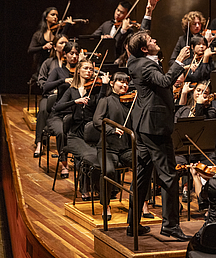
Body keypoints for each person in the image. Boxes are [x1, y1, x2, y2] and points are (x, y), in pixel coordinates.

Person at [126, 29, 191, 239]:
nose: (155, 40)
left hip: (143, 127)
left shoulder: (134, 61)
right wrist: (179, 62)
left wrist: (147, 14)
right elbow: (164, 81)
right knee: (169, 176)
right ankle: (170, 225)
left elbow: (137, 41)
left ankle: (132, 224)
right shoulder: (146, 66)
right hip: (155, 128)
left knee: (141, 176)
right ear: (145, 49)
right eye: (151, 40)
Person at [92, 72, 154, 220]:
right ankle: (105, 205)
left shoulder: (131, 103)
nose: (125, 85)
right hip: (108, 148)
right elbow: (97, 121)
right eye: (121, 82)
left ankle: (143, 204)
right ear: (112, 83)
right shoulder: (106, 101)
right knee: (108, 170)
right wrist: (112, 129)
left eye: (127, 83)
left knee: (144, 165)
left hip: (126, 148)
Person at [53, 59, 109, 199]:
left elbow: (101, 105)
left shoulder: (95, 90)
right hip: (75, 135)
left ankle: (98, 187)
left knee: (102, 155)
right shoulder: (71, 90)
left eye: (91, 69)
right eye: (85, 68)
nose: (89, 71)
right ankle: (85, 188)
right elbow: (56, 107)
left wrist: (104, 86)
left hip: (93, 133)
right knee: (88, 156)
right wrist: (75, 101)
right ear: (78, 70)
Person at [43, 41, 80, 178]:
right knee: (61, 132)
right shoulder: (58, 71)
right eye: (71, 53)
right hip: (58, 113)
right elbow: (46, 87)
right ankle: (64, 164)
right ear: (65, 55)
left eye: (76, 54)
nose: (74, 57)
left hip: (75, 113)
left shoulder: (81, 72)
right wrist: (62, 81)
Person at [92, 0, 162, 58]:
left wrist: (123, 31)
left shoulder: (129, 32)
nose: (118, 13)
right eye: (117, 10)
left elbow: (118, 48)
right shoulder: (106, 25)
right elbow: (92, 38)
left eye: (122, 12)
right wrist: (102, 37)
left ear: (127, 15)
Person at [34, 34, 69, 157]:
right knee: (43, 110)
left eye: (66, 42)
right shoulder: (48, 62)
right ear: (54, 47)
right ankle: (39, 143)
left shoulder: (70, 64)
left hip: (65, 98)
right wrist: (53, 89)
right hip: (49, 96)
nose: (64, 45)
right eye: (61, 43)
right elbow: (42, 81)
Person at [28, 7, 72, 76]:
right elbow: (30, 50)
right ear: (46, 17)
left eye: (57, 16)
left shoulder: (57, 33)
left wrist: (67, 25)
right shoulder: (38, 34)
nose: (55, 17)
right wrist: (43, 47)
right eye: (53, 15)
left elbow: (62, 38)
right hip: (41, 65)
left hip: (54, 64)